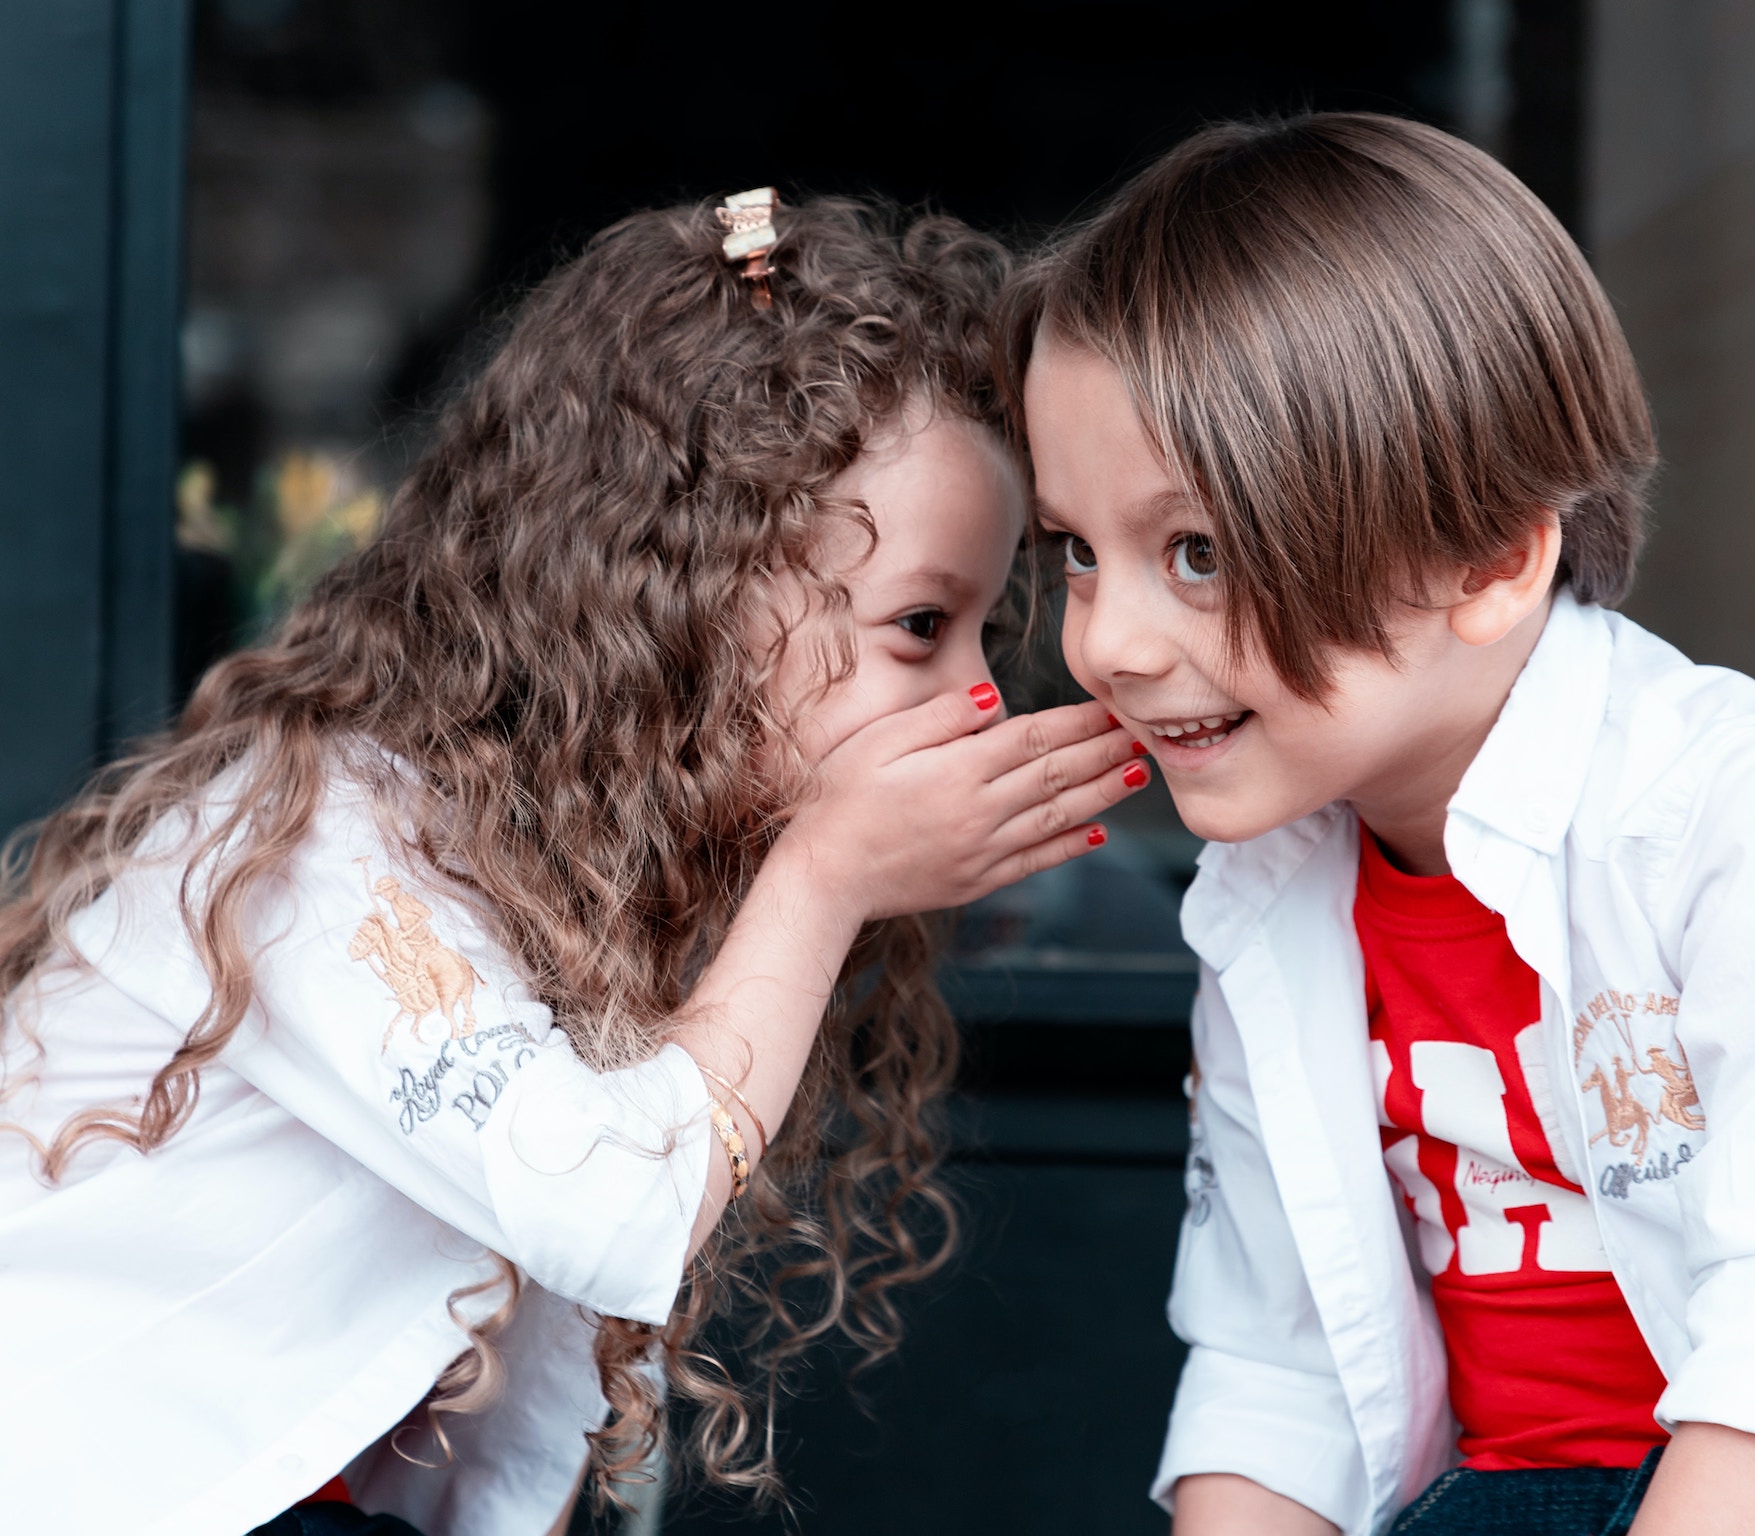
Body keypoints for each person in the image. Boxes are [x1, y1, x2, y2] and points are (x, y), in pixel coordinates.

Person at [0, 192, 1151, 1536]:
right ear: (690, 587)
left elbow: (527, 1417)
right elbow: (608, 1210)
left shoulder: (584, 866)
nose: (976, 699)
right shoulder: (322, 839)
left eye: (981, 630)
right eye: (920, 627)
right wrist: (827, 876)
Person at [1001, 113, 1755, 1536]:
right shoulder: (1269, 893)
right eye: (1077, 548)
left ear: (1491, 558)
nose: (1107, 643)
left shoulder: (1745, 825)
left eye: (1197, 553)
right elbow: (1276, 1370)